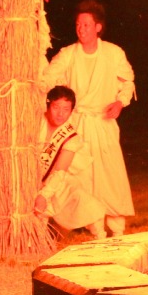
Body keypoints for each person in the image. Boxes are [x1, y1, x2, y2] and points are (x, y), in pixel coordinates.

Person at [39, 0, 135, 237]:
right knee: (80, 174)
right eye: (78, 25)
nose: (81, 29)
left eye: (87, 25)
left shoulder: (113, 53)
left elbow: (127, 81)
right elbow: (48, 78)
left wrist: (120, 102)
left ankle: (117, 228)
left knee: (109, 174)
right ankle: (94, 225)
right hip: (76, 124)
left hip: (103, 122)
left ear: (98, 27)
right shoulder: (67, 54)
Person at [34, 86, 106, 239]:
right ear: (48, 105)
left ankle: (100, 238)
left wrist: (44, 195)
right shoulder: (35, 122)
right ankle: (35, 241)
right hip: (26, 179)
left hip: (53, 181)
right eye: (56, 107)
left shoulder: (71, 138)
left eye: (66, 109)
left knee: (83, 200)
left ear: (71, 110)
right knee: (37, 215)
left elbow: (59, 171)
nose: (60, 113)